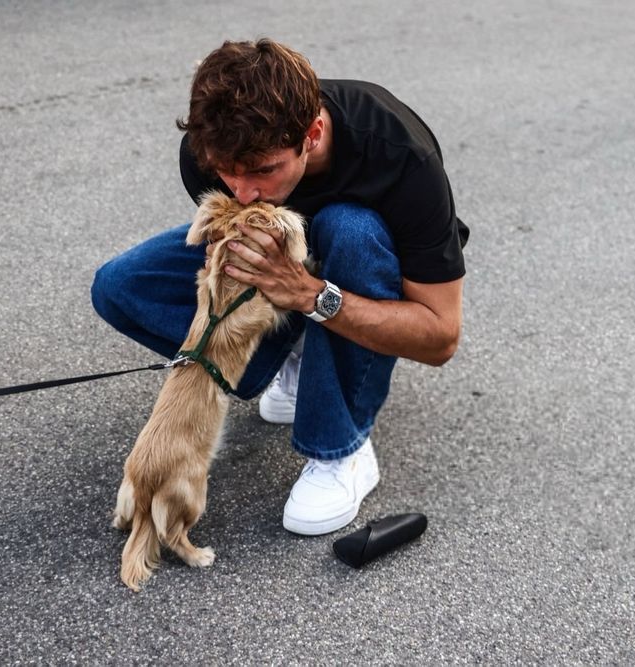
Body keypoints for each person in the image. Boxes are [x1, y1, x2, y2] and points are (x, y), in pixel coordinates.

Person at [92, 38, 468, 536]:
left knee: (349, 229)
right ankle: (295, 358)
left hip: (367, 260)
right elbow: (233, 257)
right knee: (120, 286)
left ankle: (341, 447)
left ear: (312, 134)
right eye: (227, 174)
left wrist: (308, 295)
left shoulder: (400, 156)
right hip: (291, 265)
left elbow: (440, 338)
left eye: (263, 171)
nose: (245, 194)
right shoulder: (209, 153)